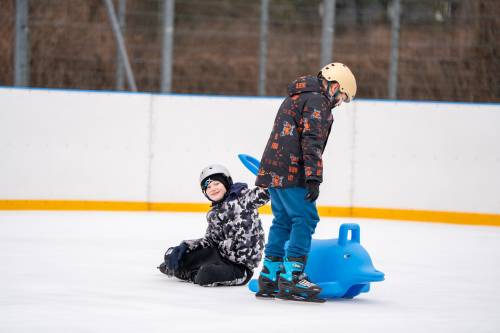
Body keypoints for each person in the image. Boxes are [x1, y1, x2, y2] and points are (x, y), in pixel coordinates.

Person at [254, 62, 357, 302]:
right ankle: (292, 278)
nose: (340, 102)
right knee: (306, 218)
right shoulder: (318, 102)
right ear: (334, 85)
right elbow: (311, 141)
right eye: (342, 95)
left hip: (273, 170)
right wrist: (313, 177)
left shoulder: (298, 95)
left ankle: (270, 275)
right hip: (292, 171)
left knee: (283, 220)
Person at [158, 164, 270, 286]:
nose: (213, 188)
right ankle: (180, 267)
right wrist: (186, 246)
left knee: (206, 275)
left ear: (227, 182)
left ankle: (192, 273)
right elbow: (210, 241)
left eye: (217, 183)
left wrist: (268, 180)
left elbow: (264, 193)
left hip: (240, 266)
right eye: (208, 187)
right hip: (220, 256)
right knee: (180, 257)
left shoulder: (244, 198)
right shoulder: (214, 214)